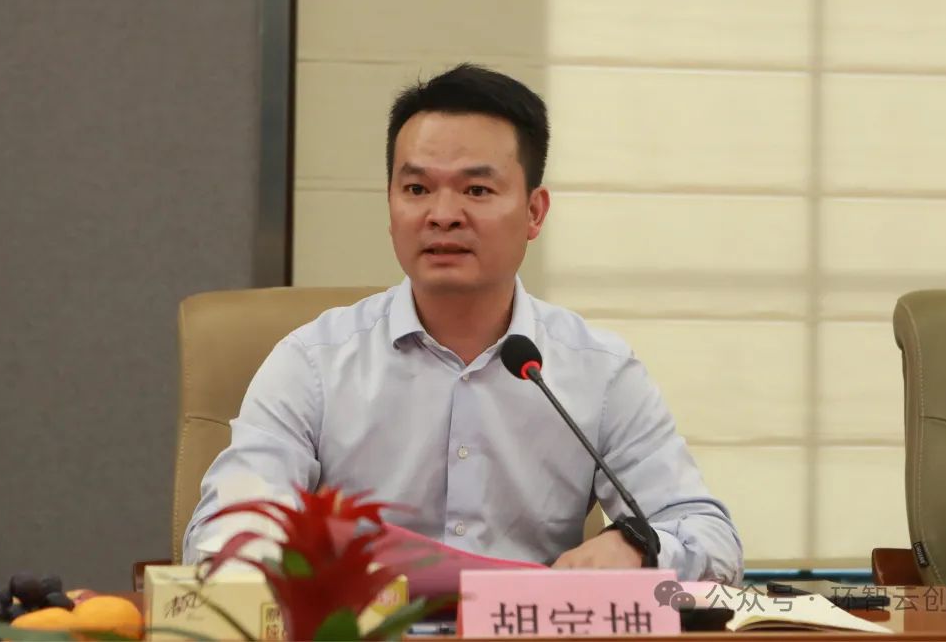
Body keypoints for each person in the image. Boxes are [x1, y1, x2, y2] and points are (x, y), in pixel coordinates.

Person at [184, 64, 743, 583]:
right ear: (390, 206)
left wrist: (638, 547)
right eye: (417, 189)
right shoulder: (312, 363)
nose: (443, 214)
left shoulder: (598, 371)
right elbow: (220, 538)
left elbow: (712, 540)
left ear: (534, 212)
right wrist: (288, 552)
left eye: (477, 190)